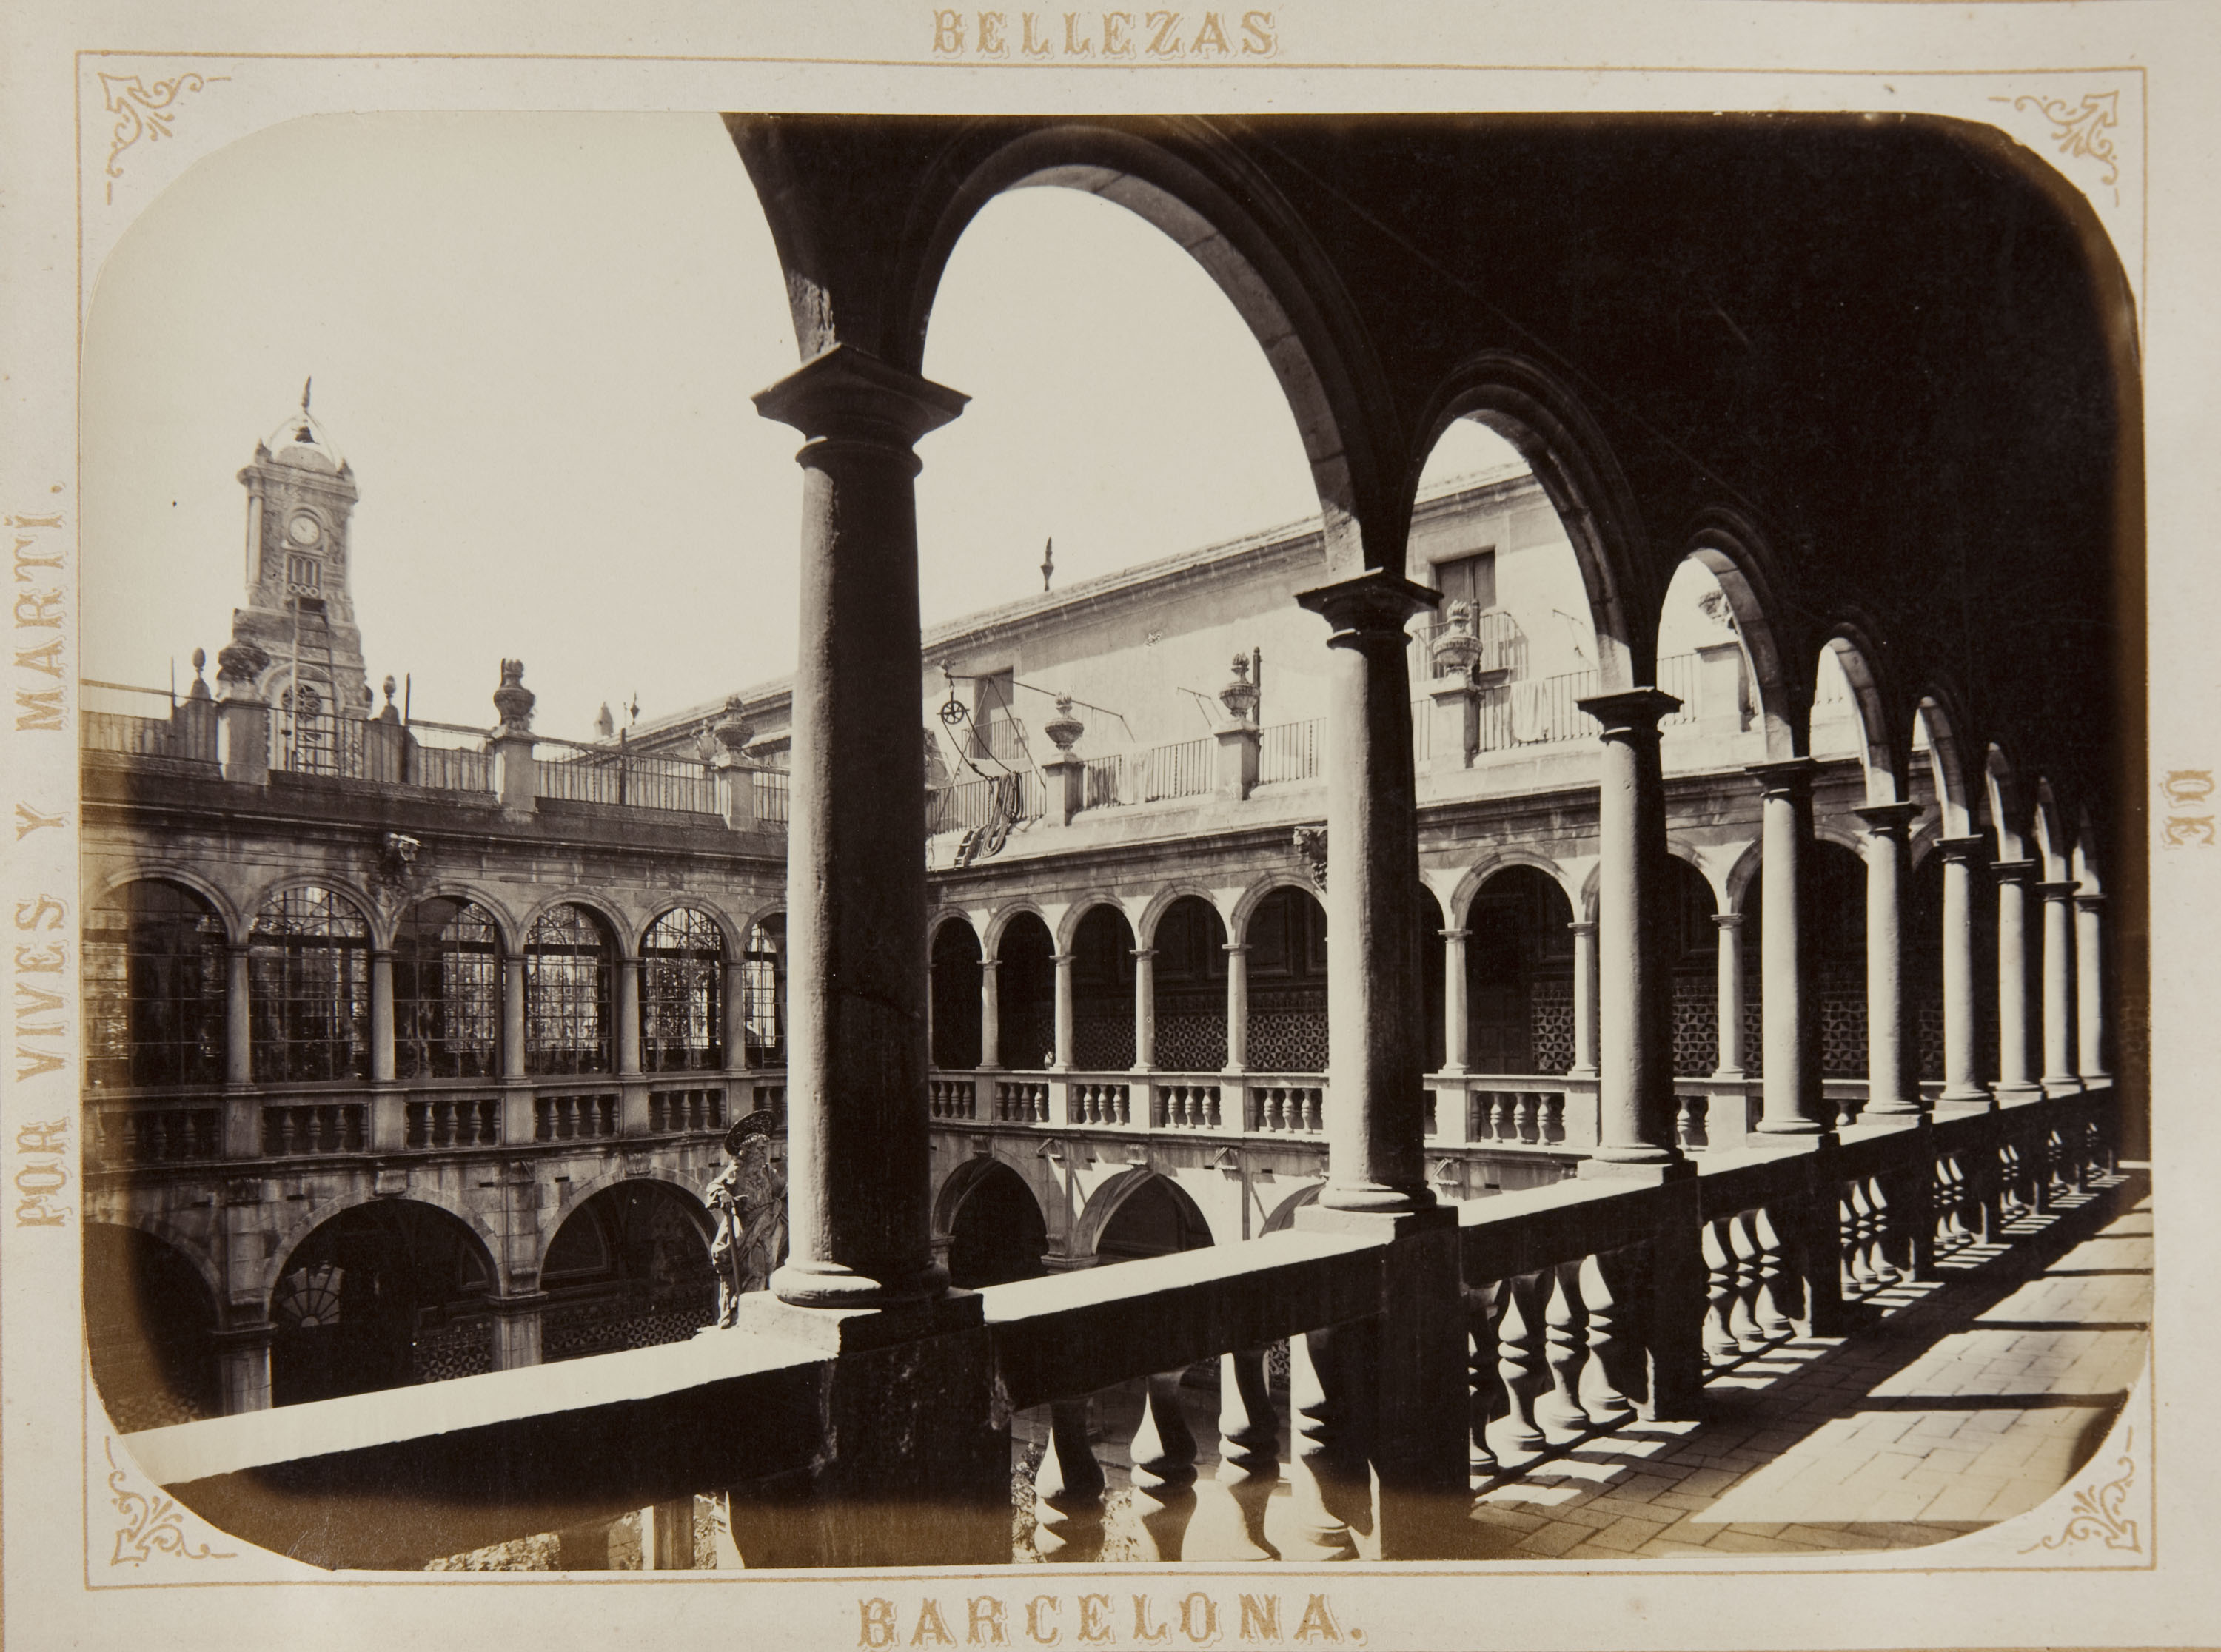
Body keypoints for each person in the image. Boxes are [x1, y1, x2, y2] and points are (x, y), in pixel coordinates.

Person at [704, 1111, 785, 1326]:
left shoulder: (767, 1172)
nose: (763, 1153)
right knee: (755, 1271)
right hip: (747, 1231)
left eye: (765, 1149)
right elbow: (713, 1188)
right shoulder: (736, 1172)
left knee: (768, 1269)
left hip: (769, 1227)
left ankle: (759, 1315)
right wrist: (722, 1195)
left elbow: (783, 1190)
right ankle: (746, 1316)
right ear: (747, 1150)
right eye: (759, 1149)